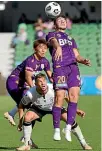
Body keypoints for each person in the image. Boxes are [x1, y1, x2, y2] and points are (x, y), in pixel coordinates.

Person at [16, 73, 92, 151]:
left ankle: (84, 143)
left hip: (55, 107)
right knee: (27, 117)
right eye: (40, 81)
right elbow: (21, 105)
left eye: (44, 81)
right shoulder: (30, 94)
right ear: (35, 84)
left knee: (70, 120)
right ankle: (26, 144)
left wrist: (76, 110)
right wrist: (20, 121)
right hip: (38, 108)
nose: (43, 83)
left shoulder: (54, 88)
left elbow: (66, 97)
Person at [46, 16, 91, 141]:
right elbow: (53, 41)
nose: (62, 21)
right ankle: (56, 129)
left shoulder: (71, 39)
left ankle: (68, 127)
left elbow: (77, 55)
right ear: (55, 24)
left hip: (73, 68)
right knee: (59, 97)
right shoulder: (51, 34)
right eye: (59, 20)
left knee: (74, 96)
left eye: (64, 20)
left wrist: (83, 60)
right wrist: (58, 46)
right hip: (60, 67)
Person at [4, 39, 52, 126]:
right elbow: (28, 77)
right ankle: (21, 125)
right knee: (28, 102)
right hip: (14, 81)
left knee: (29, 103)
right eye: (40, 47)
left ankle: (11, 114)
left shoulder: (45, 62)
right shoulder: (31, 61)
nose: (43, 50)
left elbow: (50, 77)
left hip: (23, 83)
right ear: (35, 49)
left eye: (45, 48)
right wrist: (34, 89)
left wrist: (58, 83)